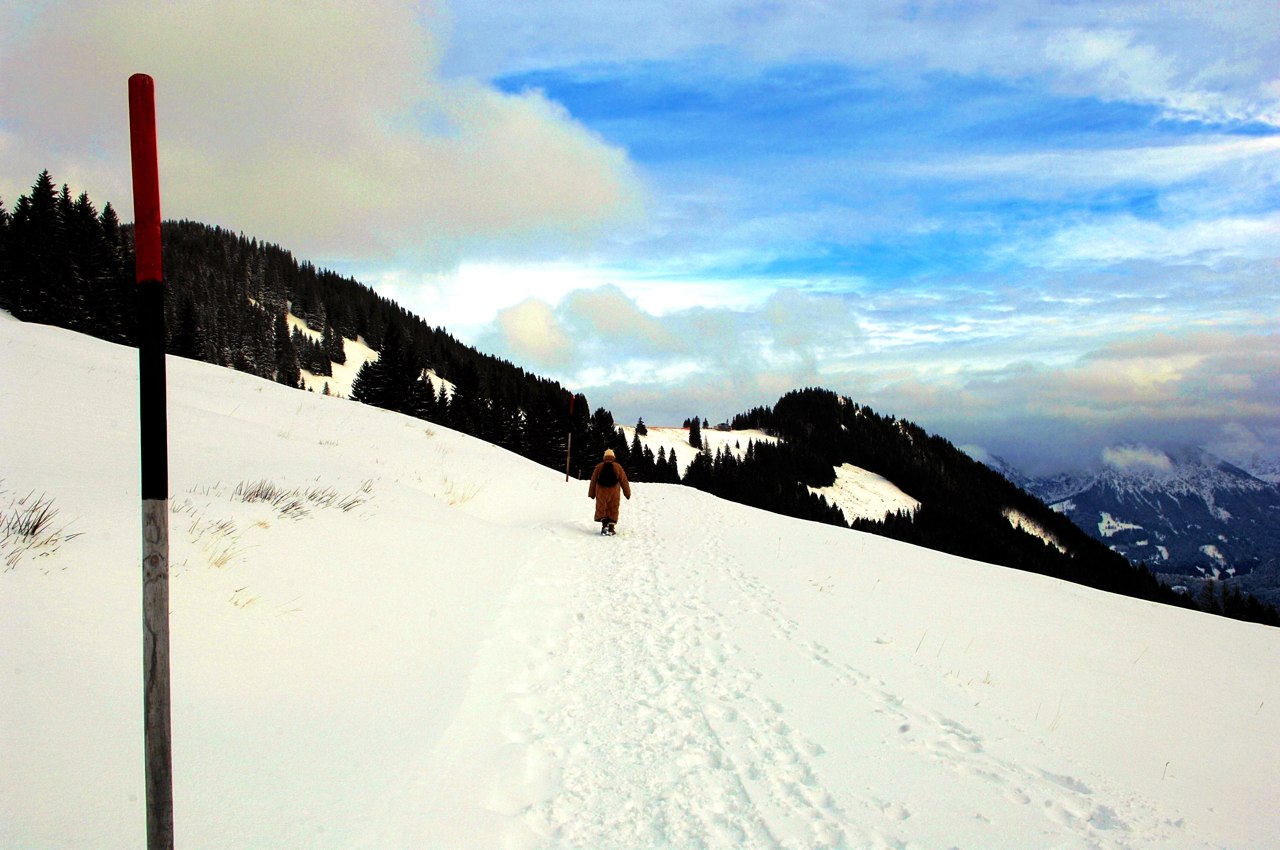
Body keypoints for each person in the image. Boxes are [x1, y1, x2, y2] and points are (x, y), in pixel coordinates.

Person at [588, 448, 631, 535]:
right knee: (613, 508)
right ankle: (611, 529)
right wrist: (627, 493)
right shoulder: (617, 466)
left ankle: (604, 526)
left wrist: (592, 494)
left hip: (601, 491)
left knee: (602, 508)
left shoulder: (599, 466)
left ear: (604, 457)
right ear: (613, 457)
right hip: (614, 491)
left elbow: (593, 480)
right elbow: (624, 481)